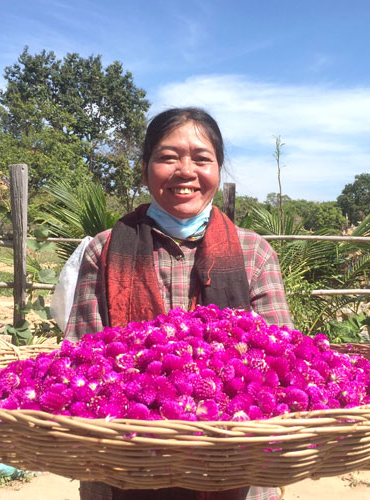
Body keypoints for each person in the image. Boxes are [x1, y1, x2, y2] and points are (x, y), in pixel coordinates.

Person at [65, 107, 292, 500]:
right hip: (125, 460)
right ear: (145, 167)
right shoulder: (104, 250)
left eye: (201, 158)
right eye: (168, 157)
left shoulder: (253, 252)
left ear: (218, 170)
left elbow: (283, 365)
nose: (185, 171)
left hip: (237, 460)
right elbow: (78, 359)